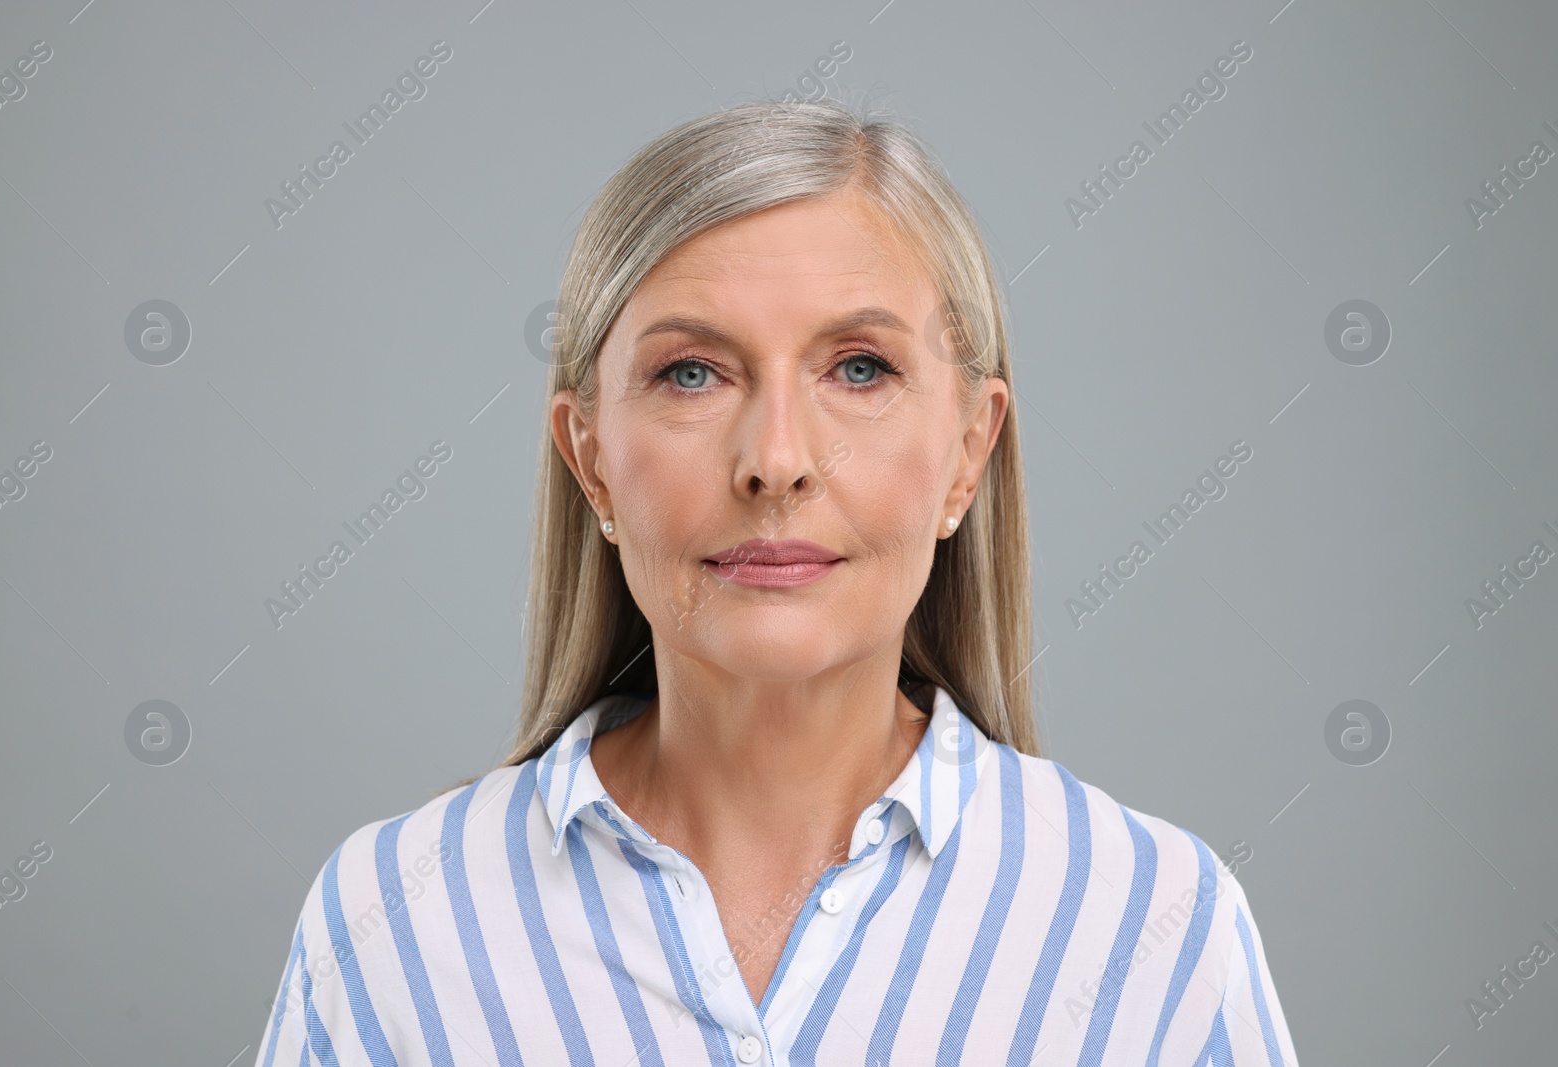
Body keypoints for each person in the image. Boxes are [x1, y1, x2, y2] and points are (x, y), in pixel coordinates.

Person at [253, 97, 1299, 1066]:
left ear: (968, 454)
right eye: (691, 373)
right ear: (591, 461)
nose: (777, 459)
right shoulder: (390, 922)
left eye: (858, 368)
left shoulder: (1155, 924)